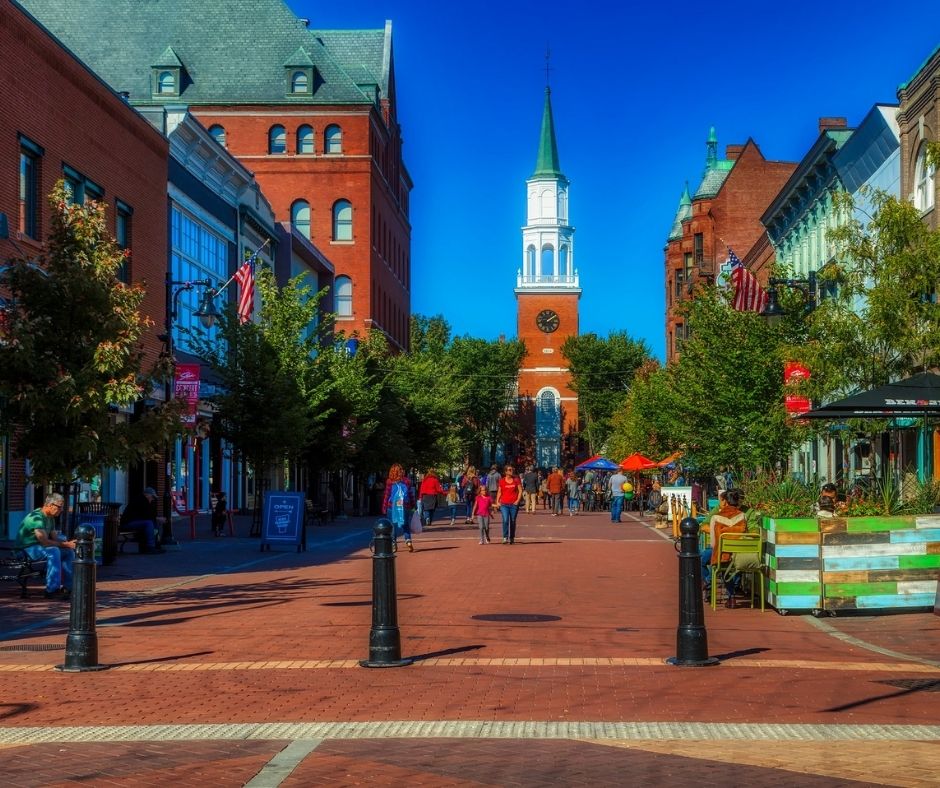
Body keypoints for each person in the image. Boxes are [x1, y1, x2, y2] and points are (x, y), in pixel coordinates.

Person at [15, 493, 75, 599]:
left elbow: (55, 538)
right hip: (25, 550)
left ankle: (68, 587)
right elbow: (45, 542)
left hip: (38, 548)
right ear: (50, 505)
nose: (61, 510)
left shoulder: (50, 518)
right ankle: (52, 590)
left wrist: (69, 543)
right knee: (53, 551)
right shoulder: (36, 518)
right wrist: (66, 544)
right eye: (59, 507)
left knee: (68, 551)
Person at [701, 489, 747, 607]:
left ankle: (708, 581)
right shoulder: (743, 516)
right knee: (727, 565)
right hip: (737, 554)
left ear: (725, 501)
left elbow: (713, 544)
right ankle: (731, 598)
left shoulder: (716, 517)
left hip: (720, 554)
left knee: (706, 559)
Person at [382, 463, 416, 551]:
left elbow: (387, 495)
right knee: (405, 524)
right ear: (401, 471)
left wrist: (384, 507)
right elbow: (410, 495)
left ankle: (393, 543)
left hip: (392, 506)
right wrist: (413, 505)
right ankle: (408, 540)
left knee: (393, 526)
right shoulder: (407, 481)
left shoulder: (389, 482)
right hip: (405, 506)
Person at [120, 487, 165, 554]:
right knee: (149, 523)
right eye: (152, 497)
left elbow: (148, 515)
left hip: (133, 522)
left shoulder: (144, 501)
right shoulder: (141, 500)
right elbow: (145, 515)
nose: (153, 499)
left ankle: (154, 545)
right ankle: (150, 546)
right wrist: (158, 518)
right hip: (128, 523)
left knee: (152, 523)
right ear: (147, 495)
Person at [495, 464, 522, 544]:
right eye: (509, 470)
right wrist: (497, 501)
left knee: (513, 521)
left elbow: (520, 490)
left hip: (513, 504)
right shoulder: (502, 481)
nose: (511, 471)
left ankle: (512, 537)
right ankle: (505, 537)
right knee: (505, 520)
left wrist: (517, 500)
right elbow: (499, 492)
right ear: (505, 471)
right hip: (504, 504)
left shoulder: (516, 480)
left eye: (512, 469)